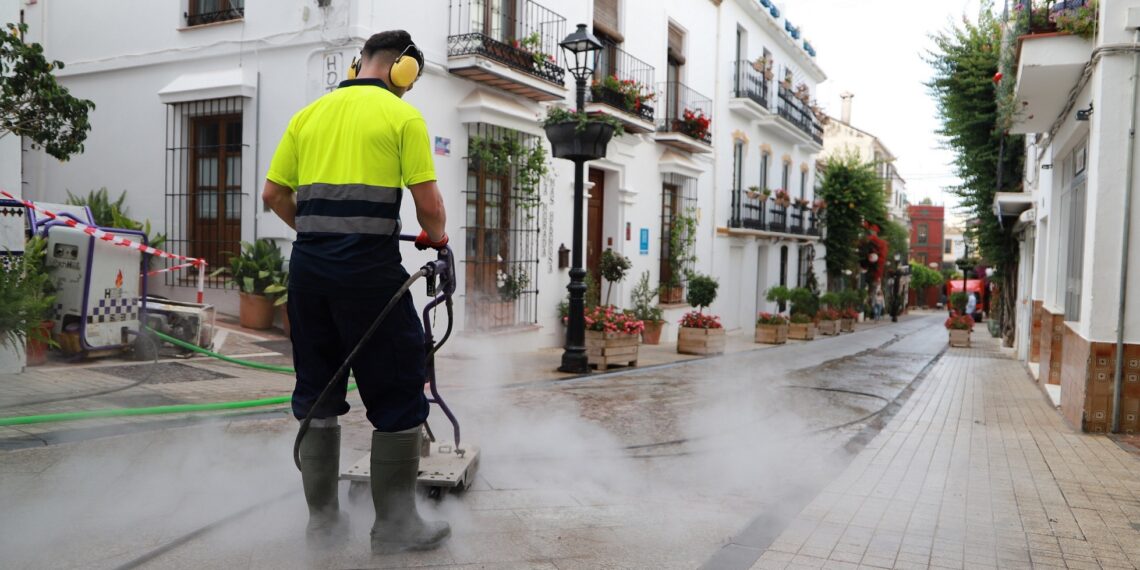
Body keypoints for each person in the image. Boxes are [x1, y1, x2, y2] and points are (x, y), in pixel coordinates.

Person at [262, 30, 450, 554]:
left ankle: (322, 525)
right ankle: (394, 527)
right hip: (370, 278)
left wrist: (320, 234)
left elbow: (273, 194)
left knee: (319, 393)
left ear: (358, 63)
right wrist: (437, 240)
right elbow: (429, 208)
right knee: (397, 388)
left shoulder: (308, 115)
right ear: (403, 71)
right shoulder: (402, 116)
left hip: (308, 275)